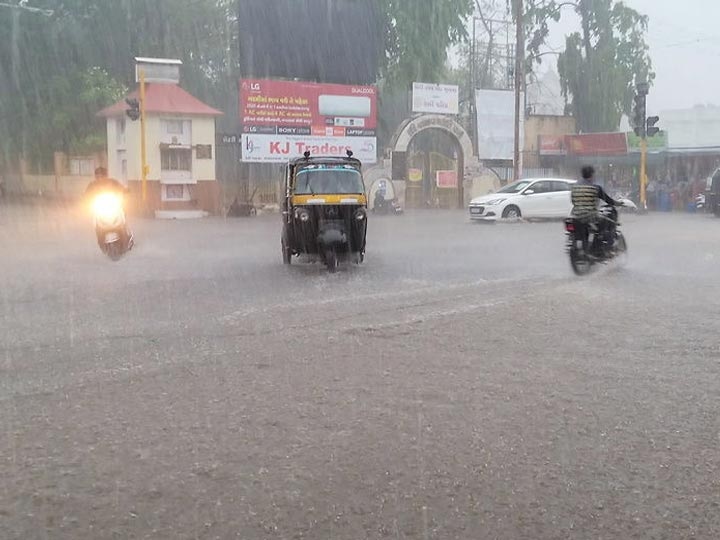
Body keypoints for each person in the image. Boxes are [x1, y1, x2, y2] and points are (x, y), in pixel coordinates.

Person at [571, 165, 623, 256]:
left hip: (575, 216)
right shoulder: (596, 188)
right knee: (608, 223)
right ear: (592, 175)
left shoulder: (575, 187)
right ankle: (606, 248)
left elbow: (573, 201)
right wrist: (619, 203)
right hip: (590, 216)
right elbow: (608, 200)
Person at [85, 167, 133, 249]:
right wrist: (86, 199)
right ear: (95, 177)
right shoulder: (92, 185)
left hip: (113, 206)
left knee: (122, 213)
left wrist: (125, 190)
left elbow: (121, 188)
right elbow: (86, 195)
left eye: (102, 176)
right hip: (100, 208)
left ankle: (127, 236)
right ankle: (101, 242)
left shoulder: (112, 182)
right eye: (98, 176)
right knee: (96, 223)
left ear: (106, 176)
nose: (100, 178)